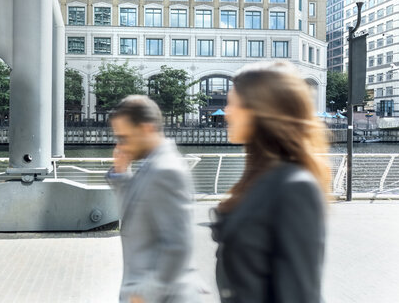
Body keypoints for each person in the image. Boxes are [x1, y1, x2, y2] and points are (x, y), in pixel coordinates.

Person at [211, 62, 330, 303]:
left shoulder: (295, 187)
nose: (226, 111)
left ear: (259, 110)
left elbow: (301, 295)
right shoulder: (259, 179)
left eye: (233, 103)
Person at [106, 95, 200, 303]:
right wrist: (121, 174)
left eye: (125, 137)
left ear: (146, 128)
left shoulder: (167, 171)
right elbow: (135, 214)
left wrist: (144, 295)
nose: (120, 145)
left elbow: (178, 245)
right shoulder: (151, 165)